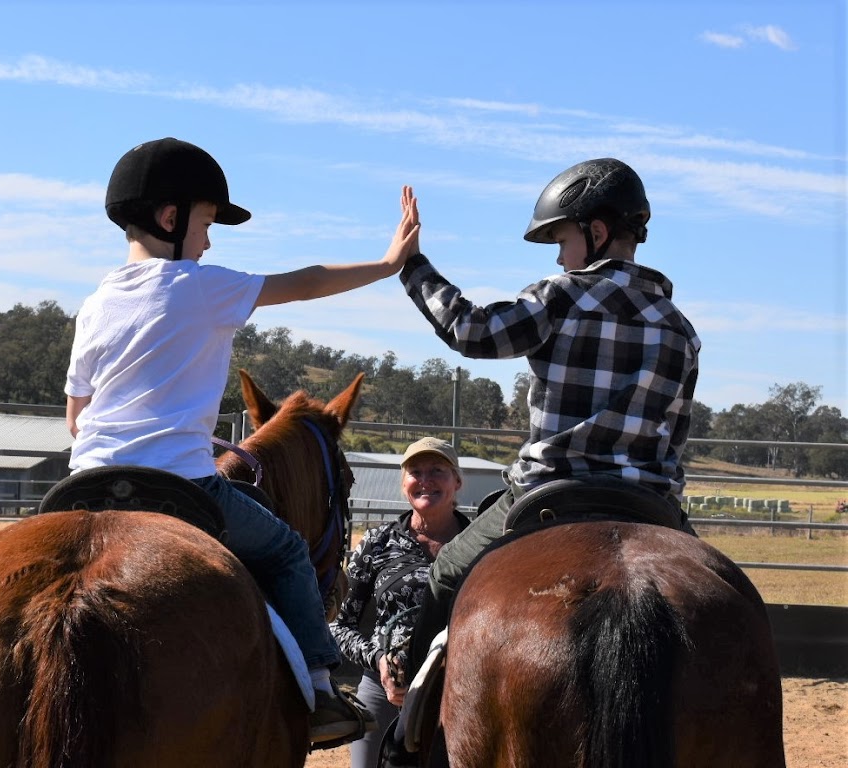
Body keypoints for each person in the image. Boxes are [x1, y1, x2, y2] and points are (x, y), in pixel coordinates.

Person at [64, 137, 419, 745]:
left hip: (83, 484)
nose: (209, 239)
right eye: (205, 222)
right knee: (282, 549)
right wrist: (387, 265)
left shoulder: (95, 304)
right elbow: (304, 283)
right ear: (170, 219)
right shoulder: (199, 285)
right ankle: (318, 688)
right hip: (179, 483)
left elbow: (76, 417)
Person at [384, 159, 700, 765]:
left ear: (598, 233)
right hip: (651, 502)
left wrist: (411, 267)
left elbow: (472, 331)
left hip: (551, 491)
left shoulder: (561, 297)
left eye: (563, 240)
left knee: (448, 571)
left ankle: (408, 722)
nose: (559, 258)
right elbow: (674, 435)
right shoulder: (680, 329)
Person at [330, 437, 470, 768]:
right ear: (403, 482)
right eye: (415, 471)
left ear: (457, 481)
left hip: (462, 690)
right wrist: (378, 660)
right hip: (384, 690)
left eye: (437, 470)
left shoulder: (480, 542)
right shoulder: (378, 543)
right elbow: (340, 623)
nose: (426, 480)